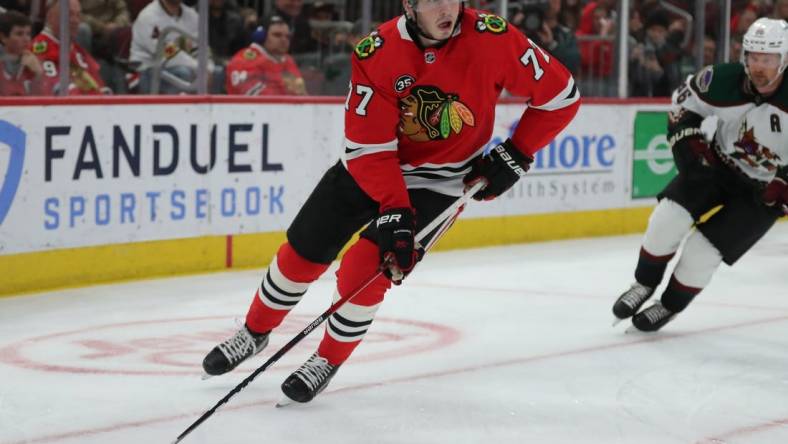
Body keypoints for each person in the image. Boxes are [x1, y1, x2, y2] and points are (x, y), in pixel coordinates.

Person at [202, 0, 579, 405]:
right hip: (370, 166)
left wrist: (519, 150)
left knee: (366, 269)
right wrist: (395, 209)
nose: (445, 8)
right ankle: (255, 332)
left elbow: (561, 96)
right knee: (302, 255)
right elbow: (369, 149)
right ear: (409, 5)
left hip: (442, 183)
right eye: (433, 0)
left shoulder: (494, 38)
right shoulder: (377, 51)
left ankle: (326, 360)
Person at [612, 17, 788, 332]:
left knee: (703, 253)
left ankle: (668, 306)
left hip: (764, 191)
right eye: (753, 57)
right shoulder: (721, 79)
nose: (759, 66)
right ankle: (643, 284)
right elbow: (683, 107)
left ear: (784, 59)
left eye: (768, 59)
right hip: (717, 167)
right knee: (667, 219)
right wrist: (689, 142)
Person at [31, 0, 110, 95]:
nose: (75, 20)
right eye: (69, 14)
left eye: (78, 15)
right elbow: (54, 91)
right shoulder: (40, 49)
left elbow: (100, 89)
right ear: (50, 17)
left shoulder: (79, 52)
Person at [225, 15, 305, 95]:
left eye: (287, 37)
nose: (284, 40)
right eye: (277, 35)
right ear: (261, 36)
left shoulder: (288, 60)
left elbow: (301, 94)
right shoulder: (244, 59)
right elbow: (256, 98)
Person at [0, 10, 43, 95]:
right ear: (3, 37)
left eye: (28, 34)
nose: (26, 39)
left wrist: (38, 74)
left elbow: (42, 103)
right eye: (19, 34)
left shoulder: (33, 63)